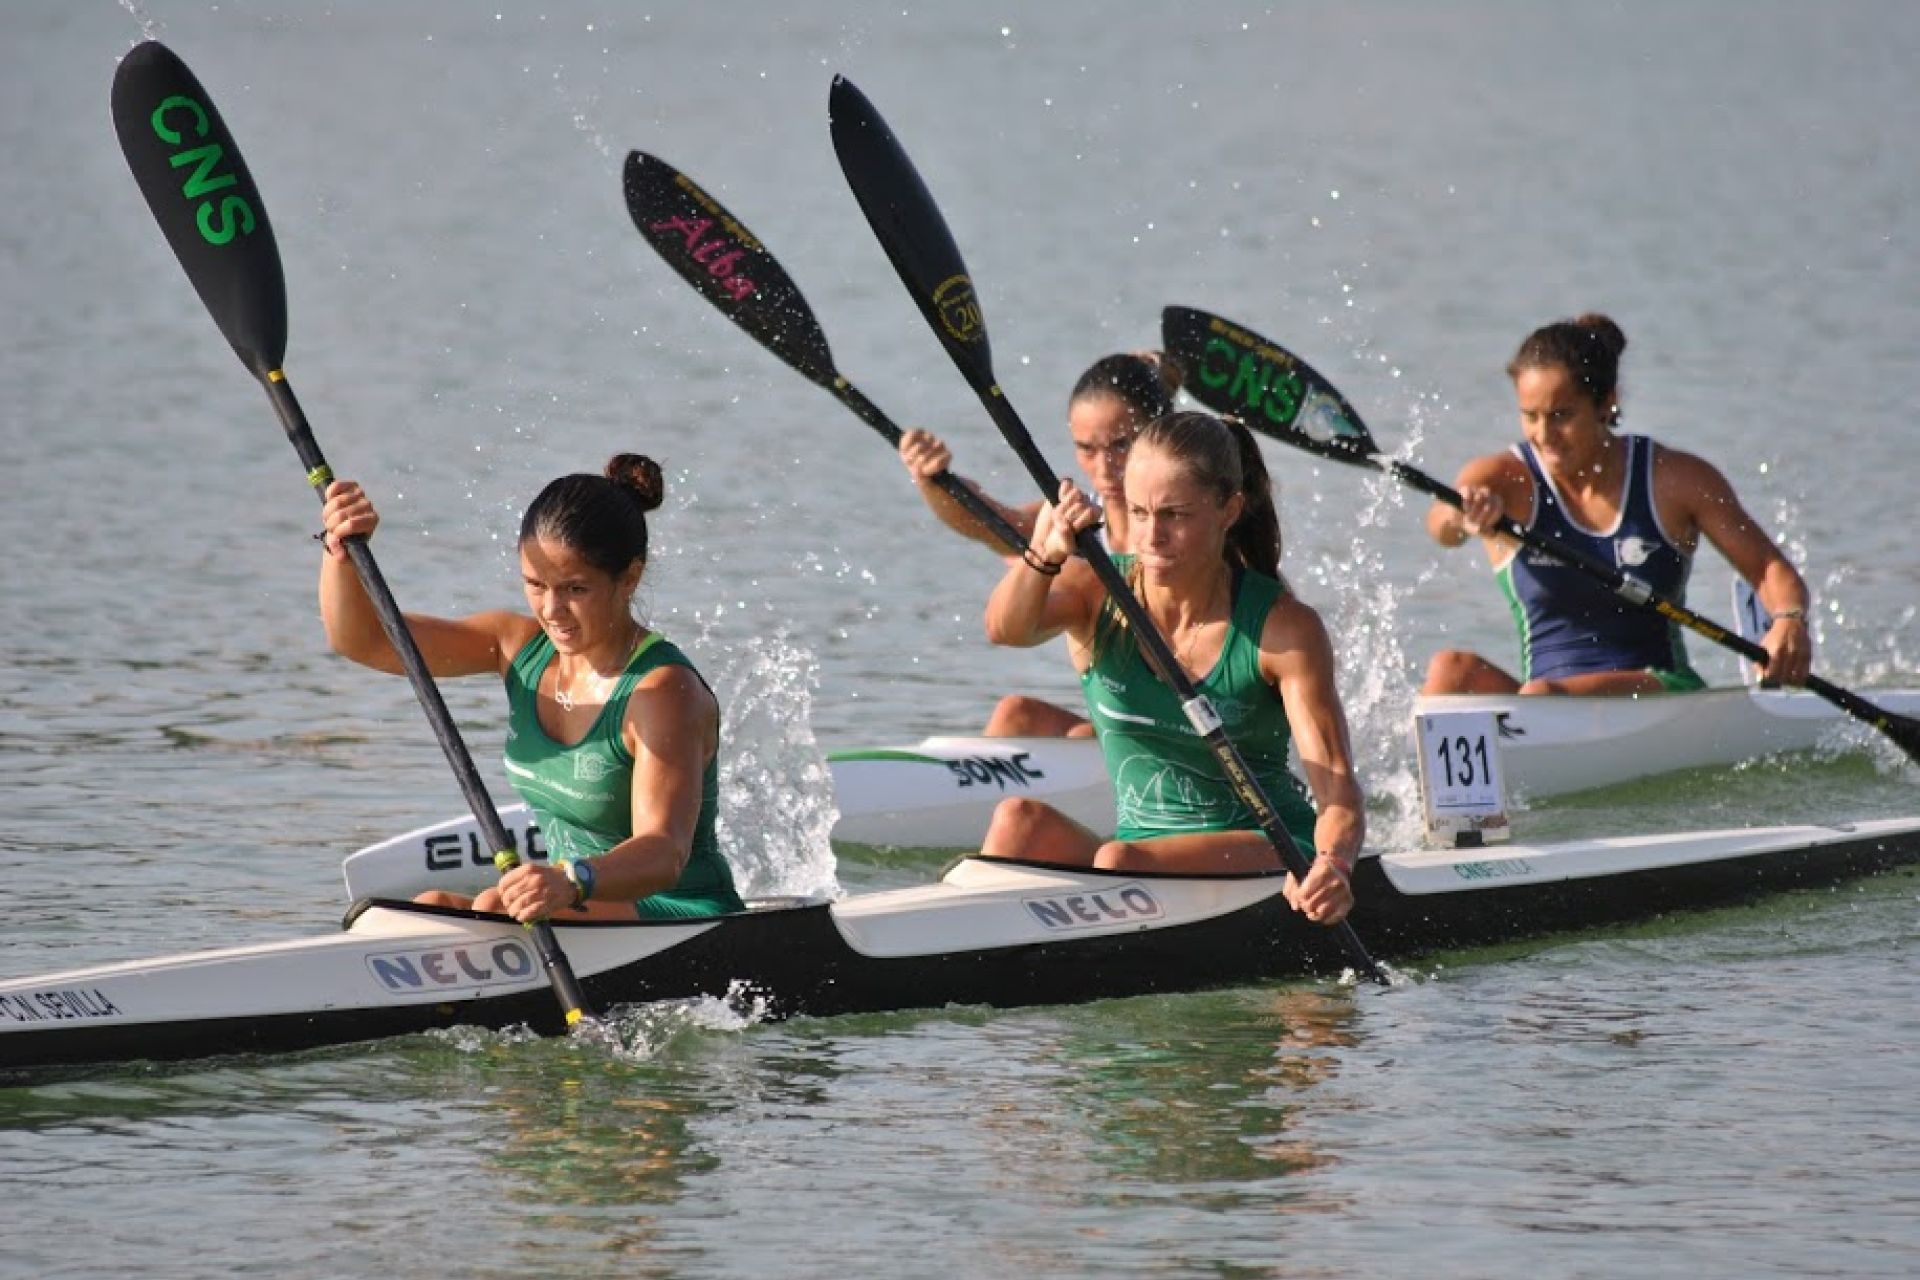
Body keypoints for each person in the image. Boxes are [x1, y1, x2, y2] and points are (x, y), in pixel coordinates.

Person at [317, 453, 745, 923]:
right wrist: (341, 553)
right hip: (575, 903)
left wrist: (571, 879)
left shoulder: (662, 691)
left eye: (575, 589)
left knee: (493, 905)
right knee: (431, 905)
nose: (552, 610)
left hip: (684, 915)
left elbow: (664, 852)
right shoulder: (515, 647)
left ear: (629, 577)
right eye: (536, 585)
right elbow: (366, 641)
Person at [973, 410, 1362, 926]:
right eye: (1138, 513)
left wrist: (1334, 865)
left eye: (1174, 515)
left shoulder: (1282, 628)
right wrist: (1044, 554)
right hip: (1137, 855)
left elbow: (1338, 794)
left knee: (1117, 861)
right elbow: (1006, 630)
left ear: (1228, 510)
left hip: (1269, 850)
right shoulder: (1098, 592)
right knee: (1016, 820)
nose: (1151, 537)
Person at [1422, 314, 1813, 696]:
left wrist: (1789, 619)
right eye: (1530, 416)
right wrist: (1461, 514)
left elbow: (1767, 567)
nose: (1544, 435)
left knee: (1541, 694)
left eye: (1561, 416)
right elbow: (1440, 525)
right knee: (1449, 670)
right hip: (1542, 701)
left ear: (1606, 403)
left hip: (1658, 690)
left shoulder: (1675, 479)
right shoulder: (1504, 478)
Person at [895, 351, 1177, 737]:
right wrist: (932, 481)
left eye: (1121, 444)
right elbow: (991, 523)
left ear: (1159, 435)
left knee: (1081, 735)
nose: (1103, 467)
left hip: (1194, 729)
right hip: (1124, 725)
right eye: (1087, 449)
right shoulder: (1079, 520)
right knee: (1016, 715)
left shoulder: (1190, 525)